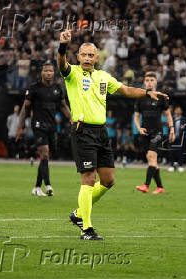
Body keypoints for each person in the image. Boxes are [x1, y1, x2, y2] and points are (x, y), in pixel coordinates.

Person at [57, 30, 167, 240]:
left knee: (108, 181)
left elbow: (125, 90)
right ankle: (86, 229)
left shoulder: (103, 77)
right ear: (78, 57)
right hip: (83, 131)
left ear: (97, 58)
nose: (88, 59)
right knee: (88, 179)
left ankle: (79, 214)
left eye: (91, 55)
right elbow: (61, 64)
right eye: (84, 55)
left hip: (101, 132)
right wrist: (62, 47)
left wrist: (146, 92)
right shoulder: (72, 74)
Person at [16, 61, 72, 197]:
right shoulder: (34, 88)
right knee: (45, 153)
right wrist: (19, 127)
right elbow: (25, 108)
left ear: (54, 73)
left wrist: (72, 118)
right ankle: (48, 185)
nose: (48, 73)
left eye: (51, 71)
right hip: (38, 125)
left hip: (52, 126)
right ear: (41, 73)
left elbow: (63, 106)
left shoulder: (58, 88)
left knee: (45, 158)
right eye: (46, 71)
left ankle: (36, 187)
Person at [135, 72, 175, 194]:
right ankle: (160, 187)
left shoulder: (161, 97)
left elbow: (168, 115)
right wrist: (139, 128)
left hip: (157, 132)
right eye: (147, 80)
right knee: (152, 161)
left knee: (152, 158)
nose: (149, 82)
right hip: (145, 133)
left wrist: (172, 129)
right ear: (144, 82)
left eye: (152, 80)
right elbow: (136, 116)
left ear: (156, 82)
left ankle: (146, 185)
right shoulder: (140, 97)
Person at [168, 106, 186, 172]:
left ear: (181, 111)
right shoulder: (172, 118)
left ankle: (180, 165)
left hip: (180, 138)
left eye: (179, 110)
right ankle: (171, 165)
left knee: (180, 152)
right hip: (172, 138)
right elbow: (169, 128)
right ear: (175, 111)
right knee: (171, 152)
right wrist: (170, 135)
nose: (178, 111)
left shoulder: (184, 119)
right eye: (177, 110)